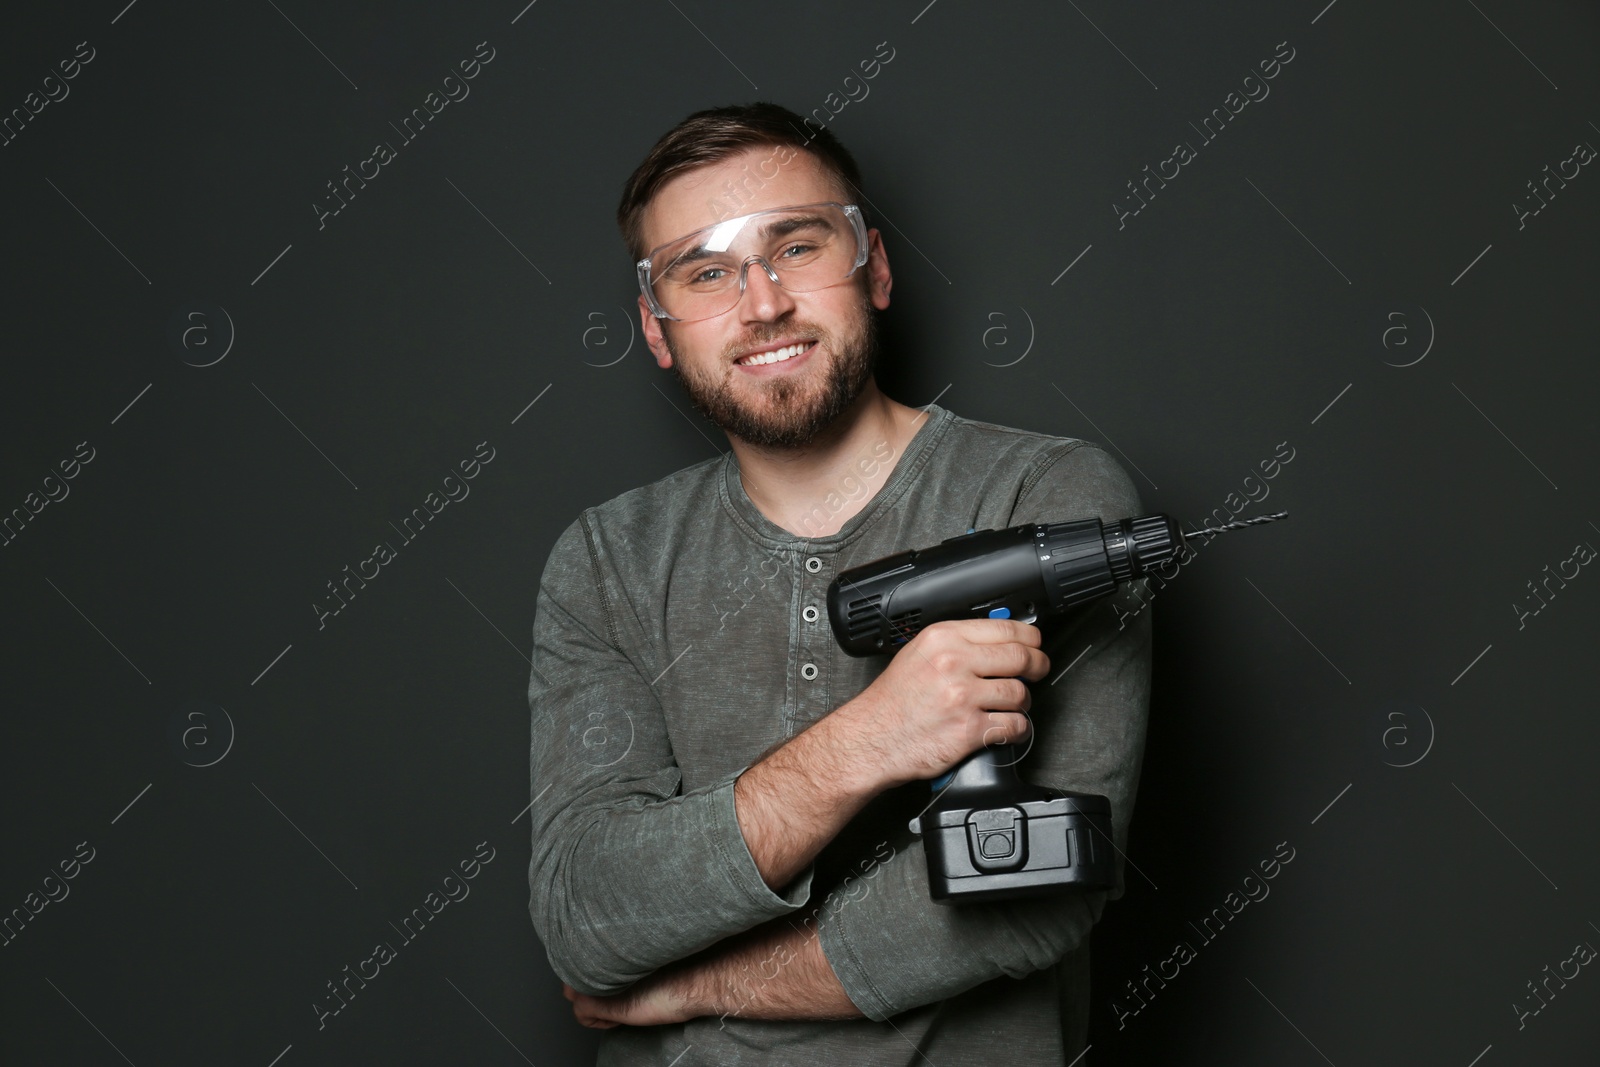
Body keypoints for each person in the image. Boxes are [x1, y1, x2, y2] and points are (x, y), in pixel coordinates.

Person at [526, 101, 1152, 1066]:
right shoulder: (608, 558)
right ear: (657, 331)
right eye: (707, 273)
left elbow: (1031, 904)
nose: (763, 302)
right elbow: (587, 915)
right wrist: (871, 739)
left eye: (798, 248)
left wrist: (693, 985)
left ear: (877, 267)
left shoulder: (1048, 498)